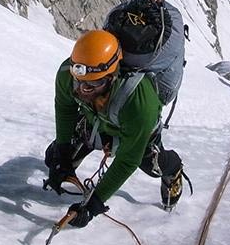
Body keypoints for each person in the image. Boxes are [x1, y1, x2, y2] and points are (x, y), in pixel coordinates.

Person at [43, 30, 190, 227]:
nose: (84, 89)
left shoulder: (139, 102)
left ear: (112, 74)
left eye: (95, 83)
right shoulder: (68, 74)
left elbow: (128, 160)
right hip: (95, 120)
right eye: (80, 82)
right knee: (53, 157)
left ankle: (173, 167)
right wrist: (62, 152)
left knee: (154, 166)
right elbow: (65, 109)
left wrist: (94, 204)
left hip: (132, 129)